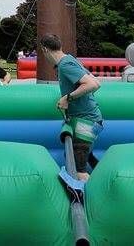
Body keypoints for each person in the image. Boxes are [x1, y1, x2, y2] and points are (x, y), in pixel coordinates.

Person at [40, 34, 102, 182]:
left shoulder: (65, 65)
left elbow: (93, 84)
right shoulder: (70, 59)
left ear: (45, 49)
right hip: (90, 120)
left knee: (79, 170)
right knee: (82, 158)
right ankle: (103, 179)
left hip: (86, 122)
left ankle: (89, 195)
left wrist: (67, 98)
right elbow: (96, 81)